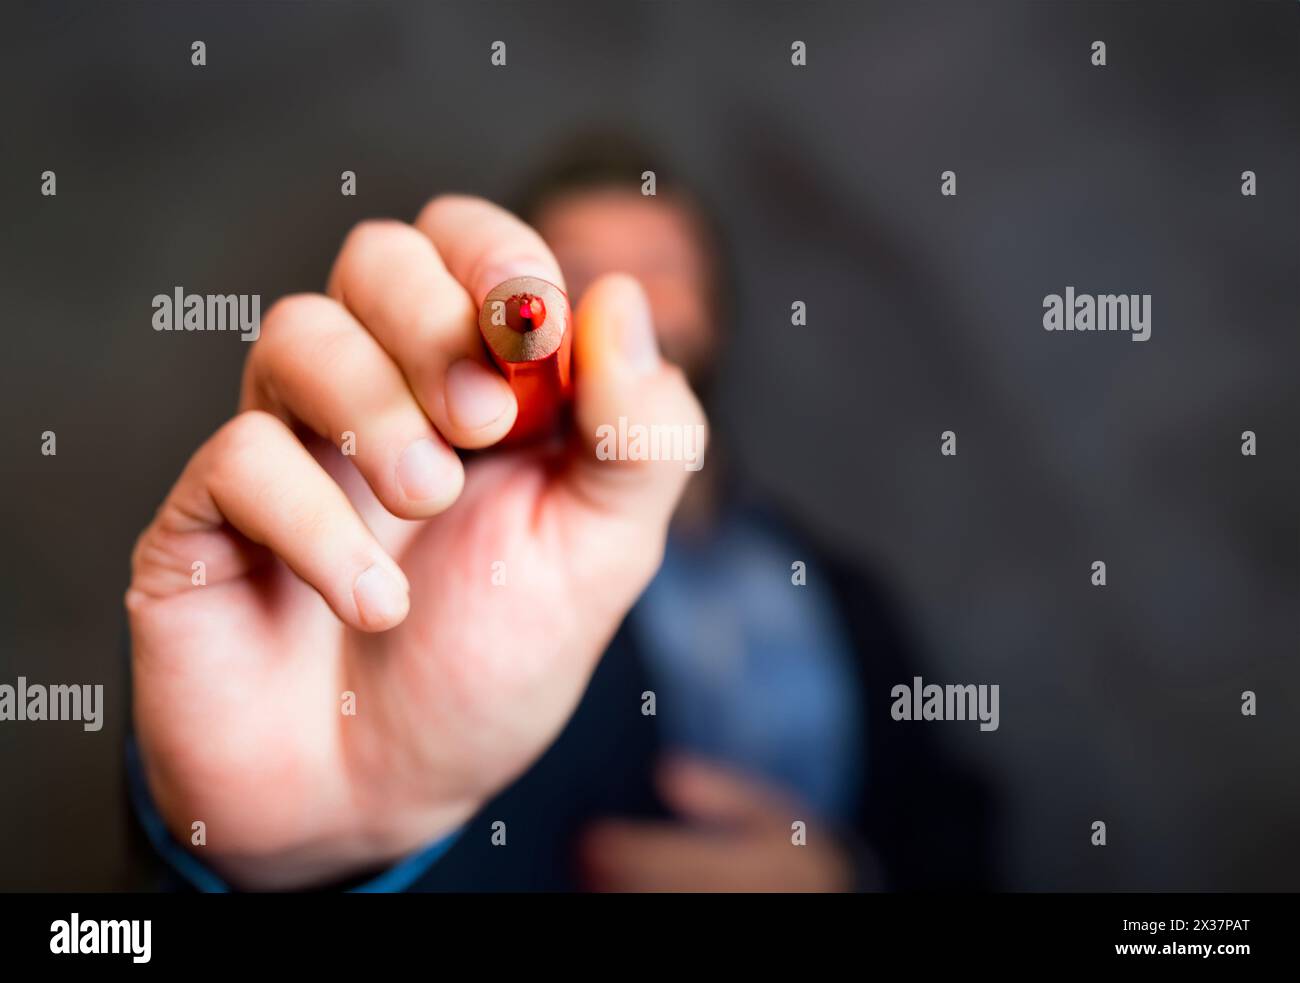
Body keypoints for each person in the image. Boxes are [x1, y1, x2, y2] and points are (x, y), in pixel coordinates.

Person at [126, 137, 993, 892]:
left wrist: (851, 883)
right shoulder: (427, 560)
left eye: (662, 270)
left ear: (716, 315)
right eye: (581, 275)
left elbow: (962, 842)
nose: (628, 301)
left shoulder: (842, 596)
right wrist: (298, 858)